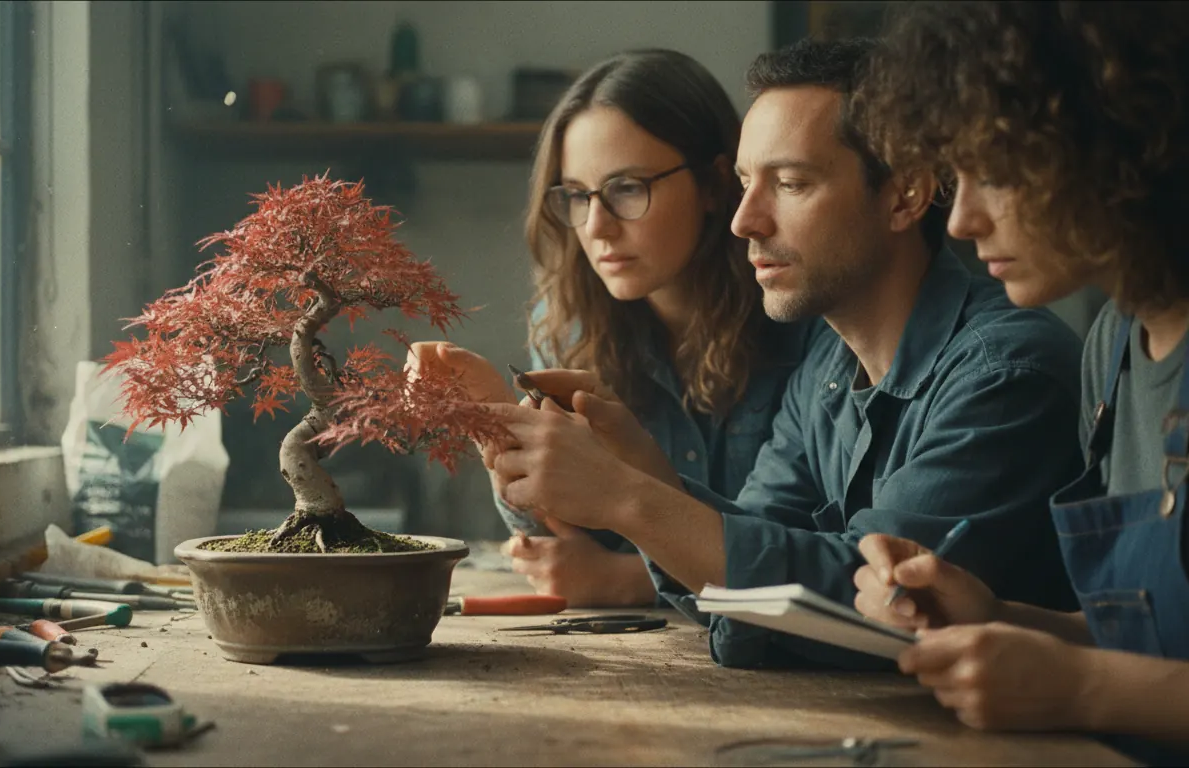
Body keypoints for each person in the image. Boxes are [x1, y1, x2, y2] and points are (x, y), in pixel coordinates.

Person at [484, 37, 1083, 669]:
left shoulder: (1007, 373)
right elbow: (756, 567)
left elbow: (871, 610)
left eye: (791, 183)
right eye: (747, 182)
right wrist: (639, 468)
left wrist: (628, 499)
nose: (744, 221)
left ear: (904, 196)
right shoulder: (826, 371)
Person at [848, 1, 1189, 763]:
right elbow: (1159, 645)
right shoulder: (1113, 348)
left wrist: (1082, 688)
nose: (962, 219)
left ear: (1120, 145)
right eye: (956, 176)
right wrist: (994, 618)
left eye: (995, 173)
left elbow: (1115, 680)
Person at [410, 48, 814, 608]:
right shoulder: (567, 326)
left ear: (716, 185)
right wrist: (496, 420)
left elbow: (803, 549)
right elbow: (563, 545)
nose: (596, 227)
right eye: (577, 195)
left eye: (627, 188)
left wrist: (631, 581)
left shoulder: (801, 320)